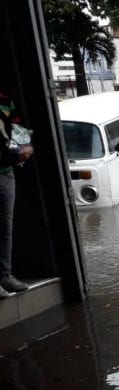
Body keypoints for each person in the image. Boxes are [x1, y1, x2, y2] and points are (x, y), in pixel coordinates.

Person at [0, 90, 32, 299]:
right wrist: (19, 150)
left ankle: (4, 276)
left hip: (4, 171)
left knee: (5, 226)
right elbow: (3, 140)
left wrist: (24, 147)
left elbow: (18, 127)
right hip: (6, 165)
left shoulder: (6, 101)